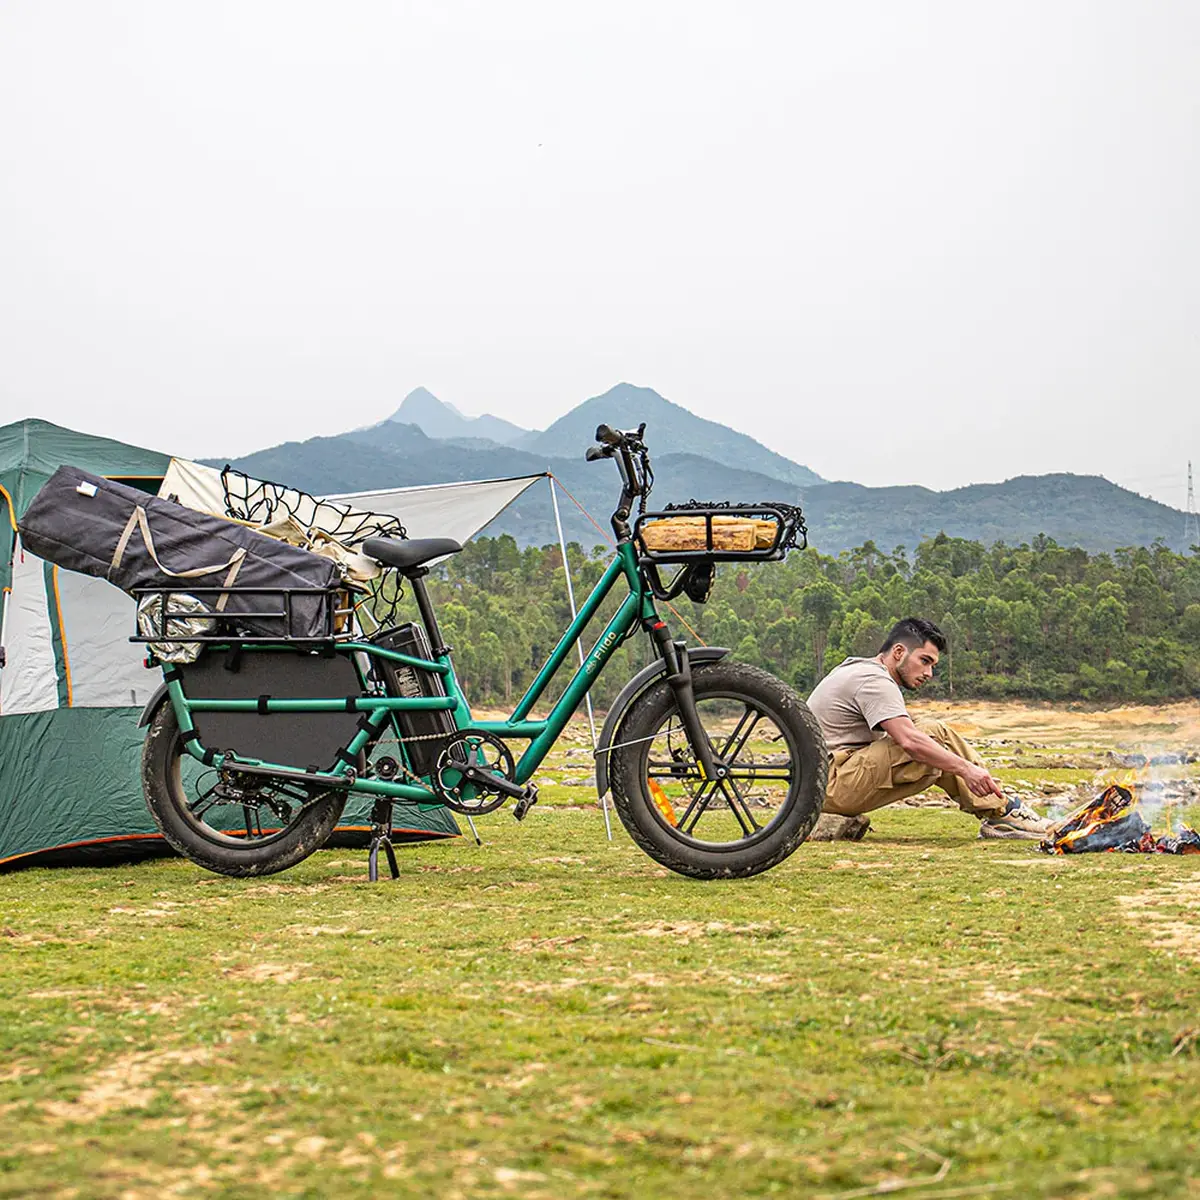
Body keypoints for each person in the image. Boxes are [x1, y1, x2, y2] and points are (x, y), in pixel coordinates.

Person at [807, 617, 1053, 840]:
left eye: (932, 665)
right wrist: (967, 769)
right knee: (933, 734)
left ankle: (1002, 809)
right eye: (924, 661)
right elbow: (910, 741)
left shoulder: (859, 670)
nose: (929, 673)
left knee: (931, 744)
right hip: (830, 784)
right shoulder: (873, 680)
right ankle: (1004, 811)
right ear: (899, 652)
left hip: (818, 785)